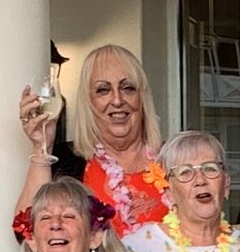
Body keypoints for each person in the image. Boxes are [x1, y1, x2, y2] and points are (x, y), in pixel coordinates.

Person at [17, 43, 165, 236]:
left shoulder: (173, 159)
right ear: (88, 102)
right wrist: (41, 146)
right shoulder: (67, 160)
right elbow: (27, 232)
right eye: (103, 90)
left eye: (128, 88)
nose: (117, 100)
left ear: (142, 97)